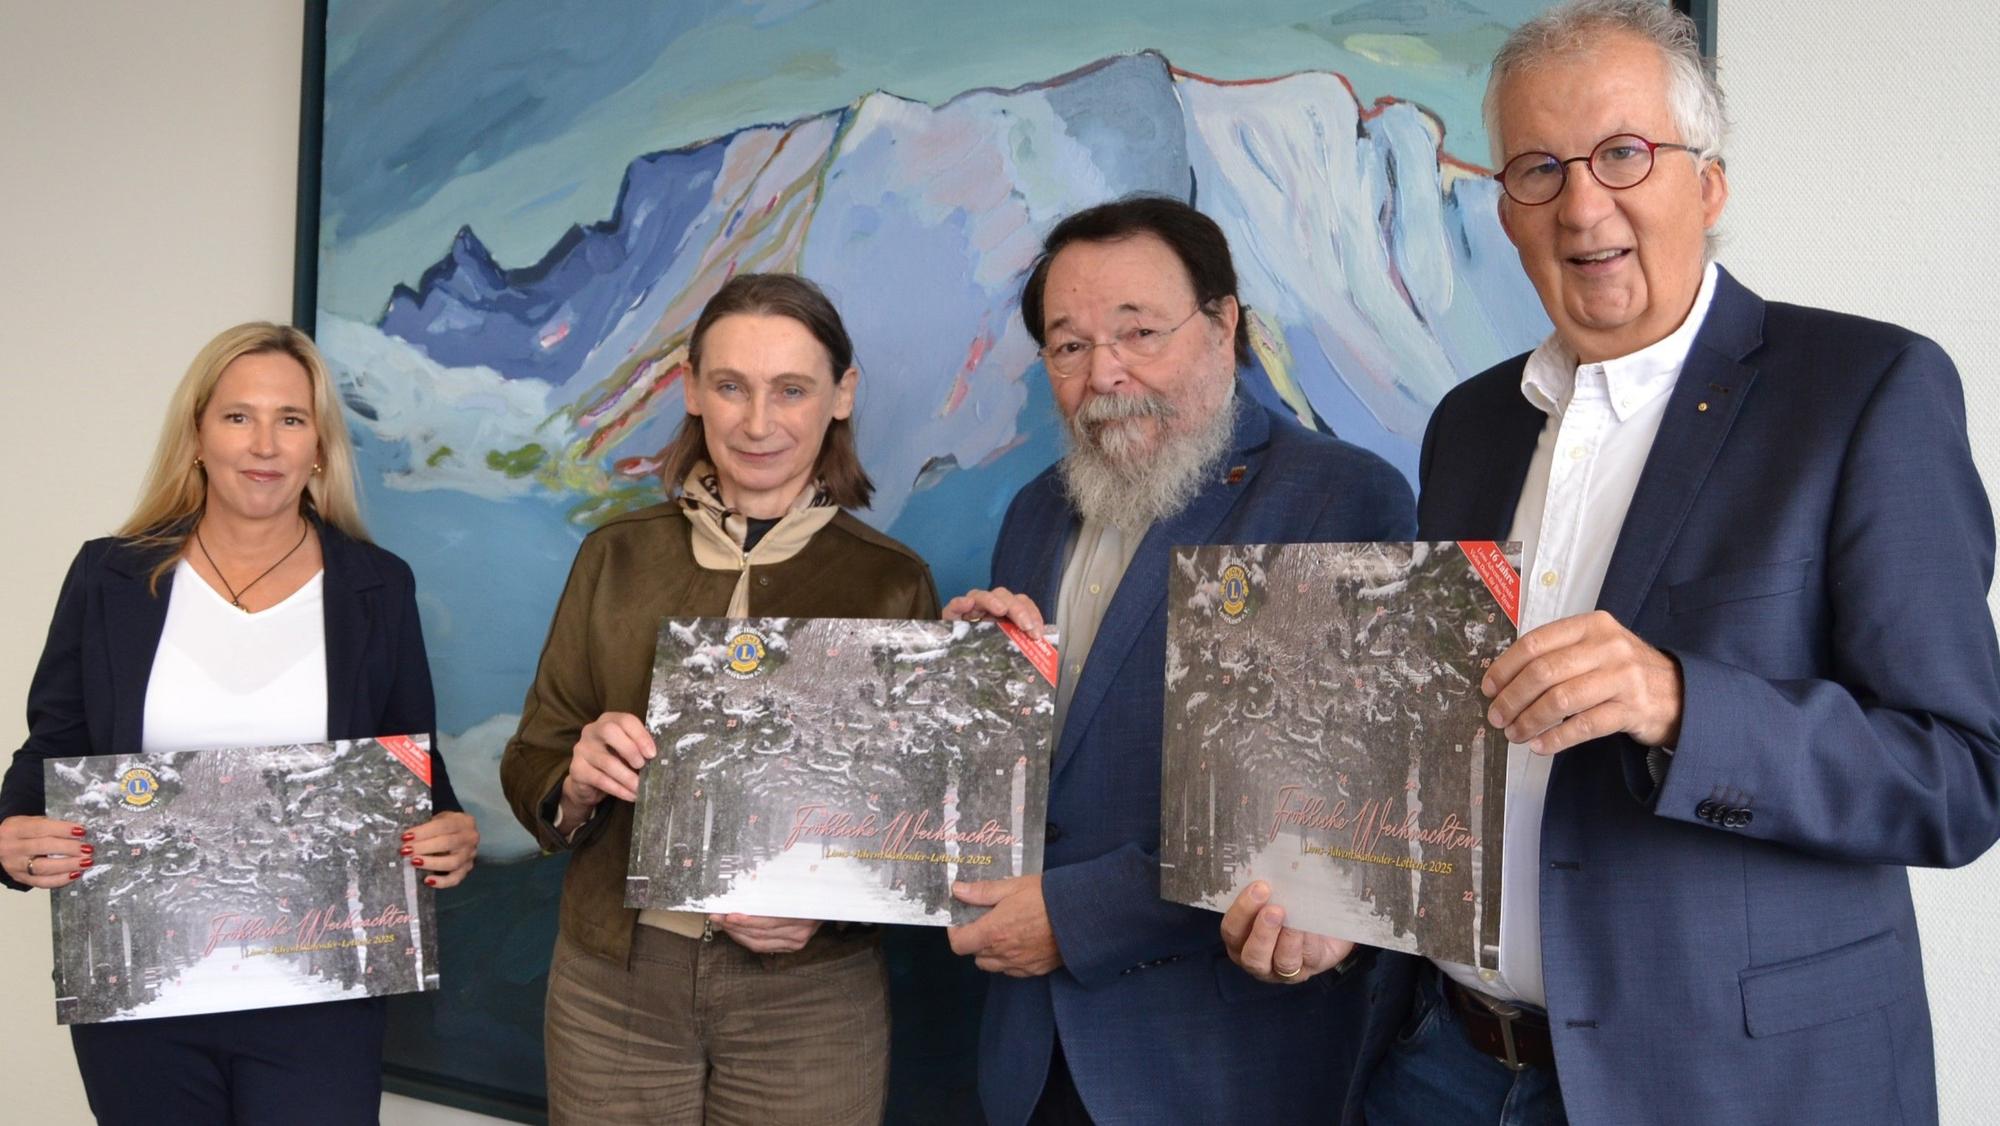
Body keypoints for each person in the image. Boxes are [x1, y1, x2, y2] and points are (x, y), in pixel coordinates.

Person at [1224, 3, 2000, 1123]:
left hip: (1721, 1085)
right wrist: (1337, 908)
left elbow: (1956, 776)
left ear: (1708, 184)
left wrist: (1681, 702)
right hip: (1442, 1064)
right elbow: (1440, 757)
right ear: (1503, 208)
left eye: (1623, 154)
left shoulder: (1863, 390)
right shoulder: (1469, 425)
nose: (1582, 204)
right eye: (1537, 169)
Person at [945, 196, 1416, 1125]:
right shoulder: (1035, 514)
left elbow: (1321, 817)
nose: (1104, 373)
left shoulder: (1336, 498)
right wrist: (971, 691)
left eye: (1138, 332)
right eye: (1068, 345)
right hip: (1032, 1058)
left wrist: (1078, 918)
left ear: (1222, 323)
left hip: (1220, 1062)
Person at [0, 321, 478, 1124]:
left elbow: (411, 768)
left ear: (320, 447)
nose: (265, 444)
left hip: (321, 986)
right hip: (140, 982)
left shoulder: (377, 587)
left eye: (291, 419)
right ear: (196, 436)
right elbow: (54, 742)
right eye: (237, 416)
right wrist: (10, 831)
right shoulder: (109, 577)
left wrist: (450, 832)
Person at [498, 273, 939, 1125]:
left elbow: (911, 826)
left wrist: (828, 911)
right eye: (731, 386)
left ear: (841, 396)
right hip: (613, 987)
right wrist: (576, 779)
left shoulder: (892, 581)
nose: (758, 422)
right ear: (693, 389)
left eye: (792, 390)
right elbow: (531, 760)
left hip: (808, 1002)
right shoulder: (615, 558)